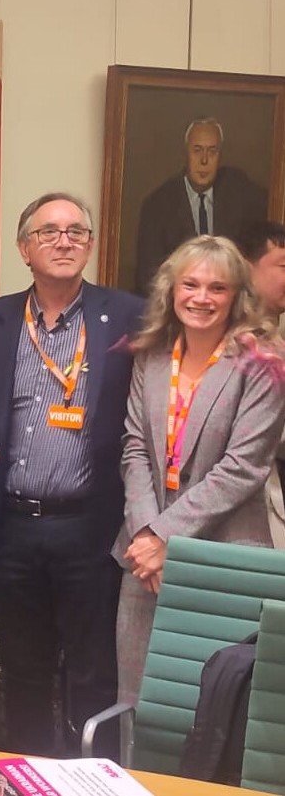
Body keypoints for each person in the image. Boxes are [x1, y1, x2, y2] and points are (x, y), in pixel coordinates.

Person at [0, 192, 143, 756]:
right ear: (25, 248)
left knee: (94, 670)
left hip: (89, 527)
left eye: (76, 232)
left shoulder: (130, 316)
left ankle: (94, 780)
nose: (64, 241)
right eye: (49, 232)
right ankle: (30, 775)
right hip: (13, 527)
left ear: (90, 245)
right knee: (23, 668)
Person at [116, 235, 285, 702]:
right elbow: (134, 448)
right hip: (143, 562)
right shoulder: (152, 353)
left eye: (218, 287)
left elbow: (243, 467)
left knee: (214, 706)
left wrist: (164, 537)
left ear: (237, 296)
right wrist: (146, 534)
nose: (202, 298)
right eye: (190, 284)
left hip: (224, 556)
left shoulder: (264, 362)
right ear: (171, 290)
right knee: (138, 701)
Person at [135, 117, 268, 293]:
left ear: (220, 156)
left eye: (212, 151)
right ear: (185, 154)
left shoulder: (241, 199)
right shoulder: (157, 206)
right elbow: (148, 280)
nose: (204, 160)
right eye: (197, 150)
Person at [235, 220, 285, 548]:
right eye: (283, 266)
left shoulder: (275, 340)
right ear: (246, 266)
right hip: (236, 514)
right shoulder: (226, 340)